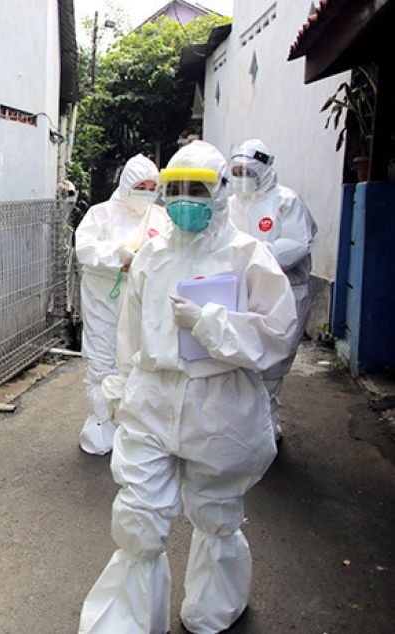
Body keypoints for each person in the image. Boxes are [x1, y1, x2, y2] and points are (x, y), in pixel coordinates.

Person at [79, 141, 297, 633]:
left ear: (219, 192)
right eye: (174, 190)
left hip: (217, 402)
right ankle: (128, 621)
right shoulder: (152, 256)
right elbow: (129, 333)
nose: (184, 201)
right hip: (153, 399)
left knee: (217, 511)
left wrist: (214, 325)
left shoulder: (247, 255)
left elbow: (278, 332)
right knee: (138, 516)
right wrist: (121, 384)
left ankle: (214, 605)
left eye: (196, 190)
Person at [74, 155, 170, 455]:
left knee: (140, 359)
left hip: (144, 300)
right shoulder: (101, 214)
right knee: (103, 359)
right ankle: (102, 424)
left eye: (152, 186)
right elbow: (85, 248)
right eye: (141, 186)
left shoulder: (159, 217)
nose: (147, 191)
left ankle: (136, 426)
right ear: (127, 184)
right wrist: (118, 254)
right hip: (104, 299)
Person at [228, 139, 317, 438]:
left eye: (247, 172)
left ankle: (264, 429)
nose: (241, 179)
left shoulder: (286, 201)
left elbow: (299, 244)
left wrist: (256, 256)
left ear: (263, 170)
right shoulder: (230, 205)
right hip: (244, 293)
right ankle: (246, 428)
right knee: (243, 360)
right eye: (236, 171)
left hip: (286, 294)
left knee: (273, 363)